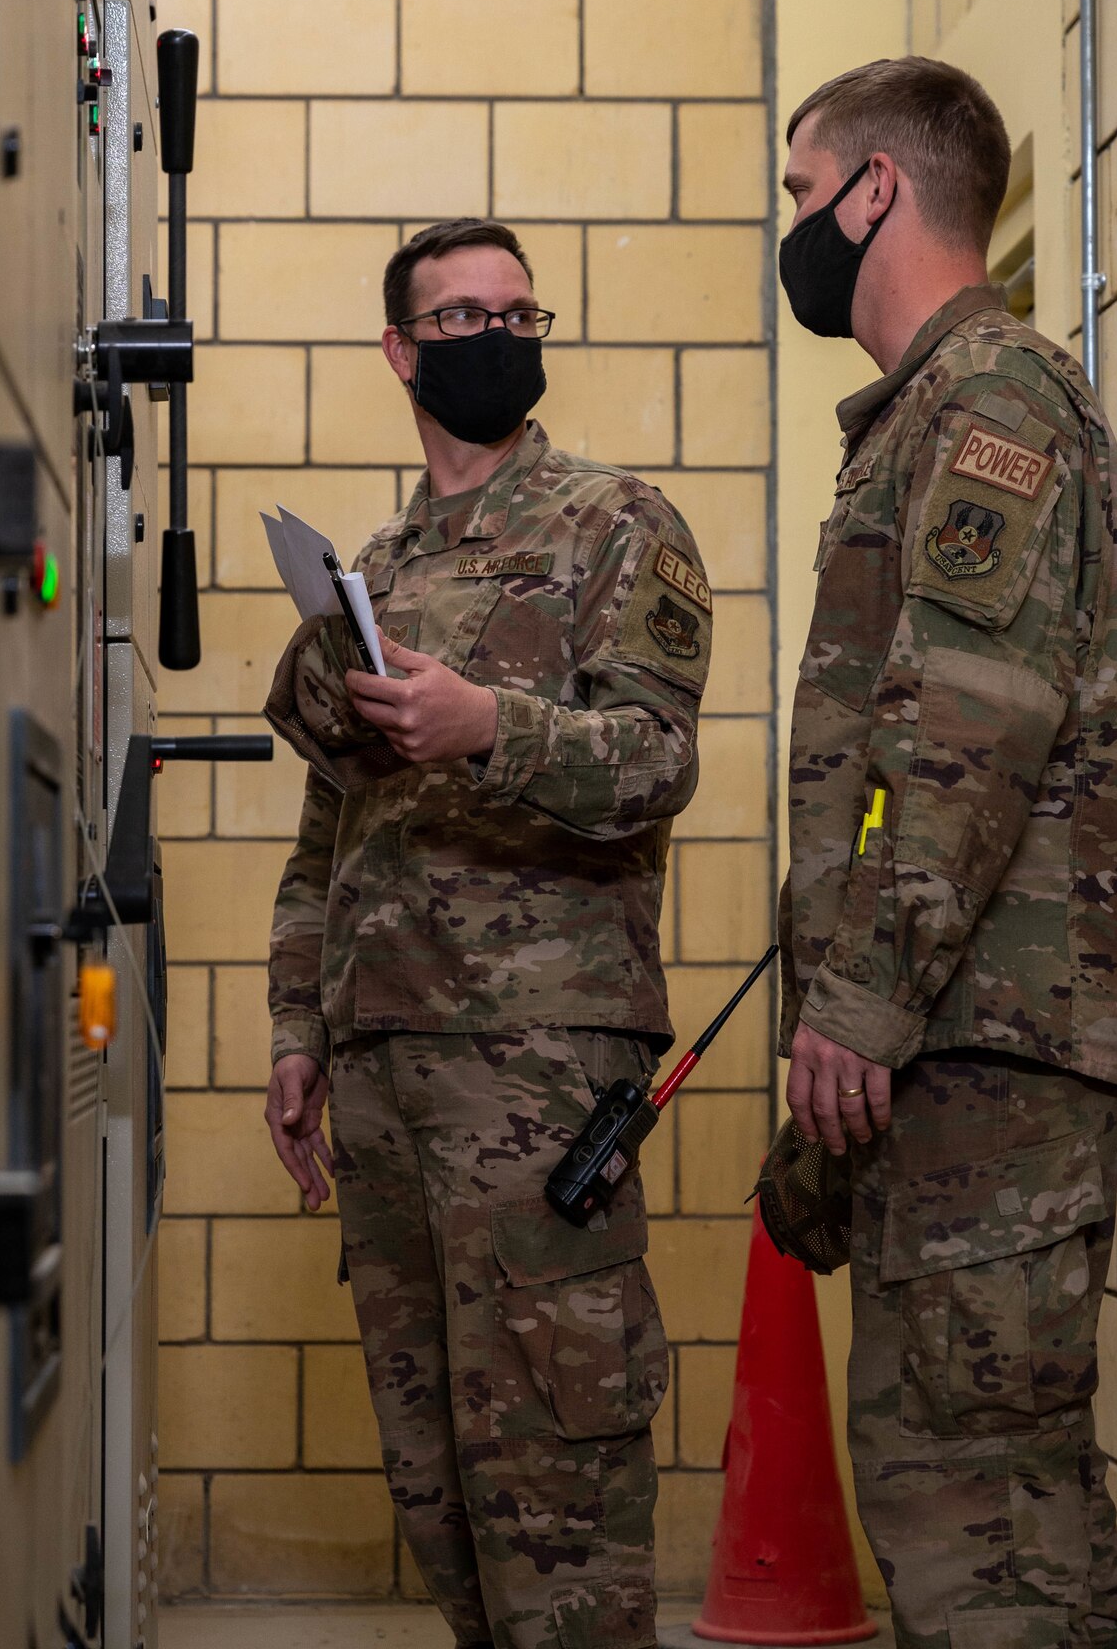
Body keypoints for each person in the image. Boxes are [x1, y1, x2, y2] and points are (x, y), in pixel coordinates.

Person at [260, 217, 712, 1649]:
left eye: (517, 311)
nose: (494, 336)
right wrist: (296, 1035)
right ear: (402, 352)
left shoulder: (615, 523)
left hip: (535, 1068)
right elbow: (328, 835)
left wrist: (488, 728)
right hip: (386, 1070)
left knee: (555, 1481)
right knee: (438, 1478)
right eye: (457, 317)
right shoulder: (375, 572)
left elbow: (657, 761)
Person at [778, 56, 1117, 1647]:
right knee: (952, 1483)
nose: (794, 230)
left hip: (987, 1039)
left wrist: (863, 999)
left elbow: (974, 721)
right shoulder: (927, 412)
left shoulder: (991, 402)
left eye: (802, 194)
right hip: (947, 1036)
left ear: (875, 193)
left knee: (979, 1506)